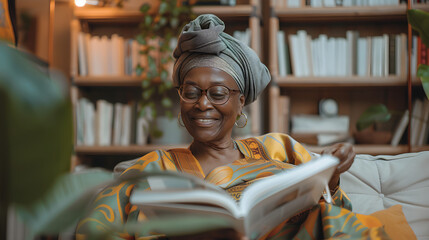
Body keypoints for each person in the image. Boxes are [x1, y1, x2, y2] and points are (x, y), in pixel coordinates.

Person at [76, 14, 390, 240]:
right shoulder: (149, 170)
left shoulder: (278, 149)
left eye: (218, 93)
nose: (202, 104)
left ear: (241, 102)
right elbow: (95, 230)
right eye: (191, 92)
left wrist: (331, 180)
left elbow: (338, 217)